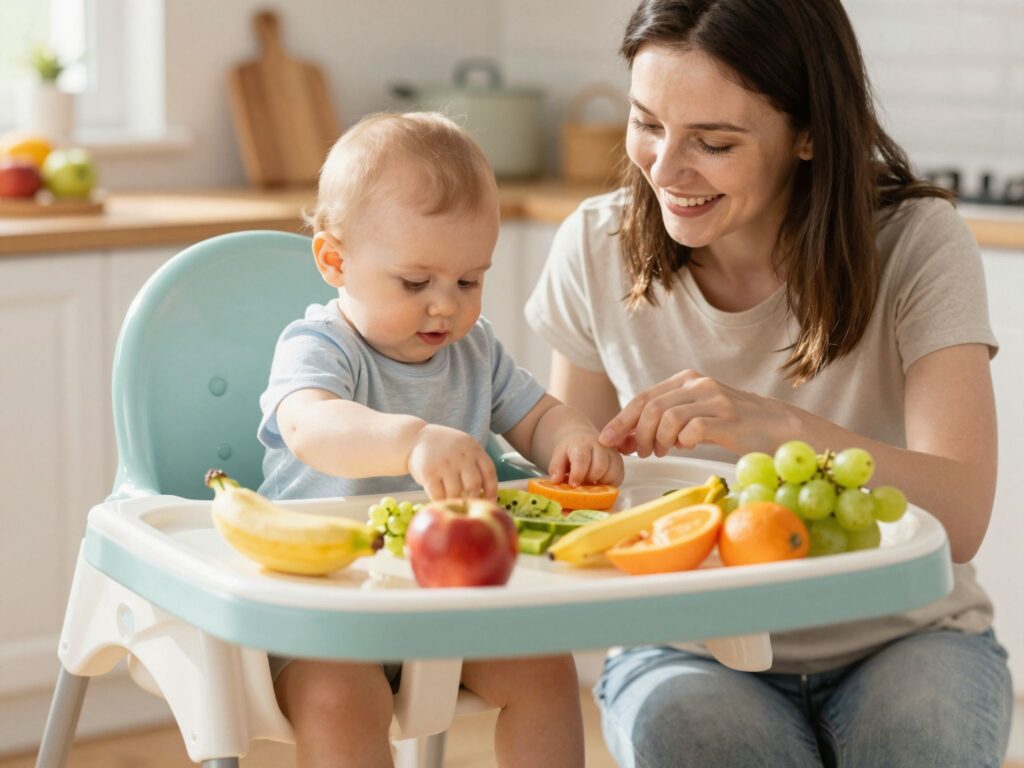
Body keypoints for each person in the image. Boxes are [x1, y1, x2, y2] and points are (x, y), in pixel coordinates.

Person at [525, 0, 1013, 766]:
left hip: (907, 637)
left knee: (921, 738)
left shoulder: (917, 243)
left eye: (714, 142)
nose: (665, 168)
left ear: (809, 131)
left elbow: (963, 512)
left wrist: (784, 430)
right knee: (695, 733)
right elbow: (576, 494)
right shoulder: (596, 246)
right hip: (688, 648)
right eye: (646, 123)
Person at [257, 111, 622, 768]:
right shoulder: (320, 346)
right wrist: (412, 441)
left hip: (451, 602)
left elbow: (535, 415)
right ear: (335, 261)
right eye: (415, 282)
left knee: (544, 670)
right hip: (327, 611)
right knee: (341, 705)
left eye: (468, 280)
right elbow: (309, 426)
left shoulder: (474, 351)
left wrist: (573, 438)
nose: (446, 305)